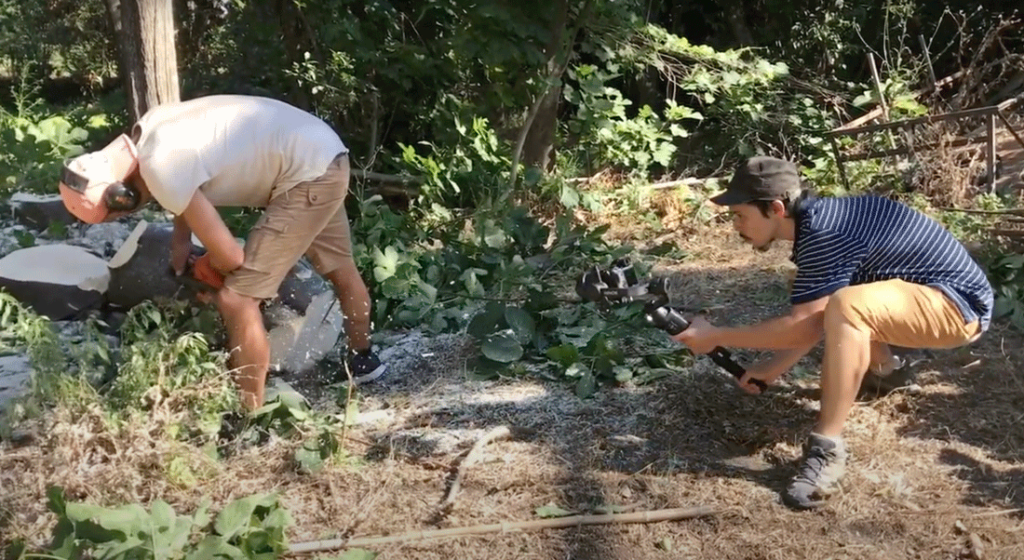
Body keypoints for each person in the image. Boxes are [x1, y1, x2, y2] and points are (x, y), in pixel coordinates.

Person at [674, 156, 993, 510]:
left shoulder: (825, 234)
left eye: (740, 215)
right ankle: (887, 371)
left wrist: (717, 335)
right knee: (837, 298)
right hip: (931, 298)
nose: (735, 226)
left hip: (956, 308)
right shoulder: (823, 221)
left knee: (848, 305)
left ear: (776, 209)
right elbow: (813, 319)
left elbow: (804, 325)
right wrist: (771, 369)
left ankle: (827, 448)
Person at [57, 94, 386, 411]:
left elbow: (230, 256)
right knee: (338, 264)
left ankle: (249, 415)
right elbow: (187, 181)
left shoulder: (159, 169)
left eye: (120, 212)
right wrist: (180, 240)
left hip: (306, 176)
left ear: (121, 196)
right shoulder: (148, 133)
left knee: (237, 300)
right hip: (323, 155)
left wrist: (208, 264)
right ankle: (364, 358)